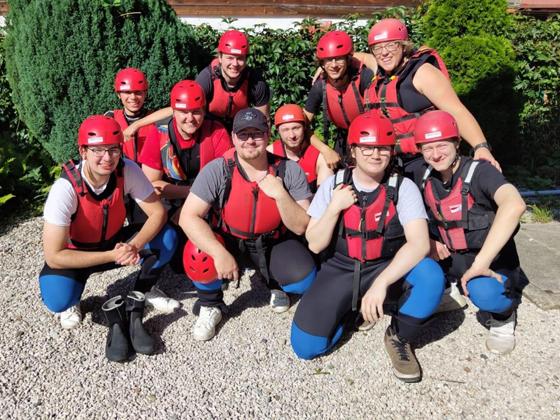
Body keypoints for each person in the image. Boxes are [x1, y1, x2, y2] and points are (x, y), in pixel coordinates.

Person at [291, 110, 445, 383]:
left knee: (431, 275)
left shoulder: (403, 188)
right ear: (353, 150)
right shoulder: (333, 185)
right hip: (341, 267)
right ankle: (351, 314)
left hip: (385, 265)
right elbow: (315, 245)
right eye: (367, 148)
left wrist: (380, 284)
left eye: (383, 148)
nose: (375, 155)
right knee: (306, 347)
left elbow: (420, 244)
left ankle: (399, 336)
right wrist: (334, 208)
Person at [38, 115, 179, 360]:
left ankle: (144, 290)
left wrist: (133, 245)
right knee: (57, 300)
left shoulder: (127, 170)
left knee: (167, 238)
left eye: (113, 149)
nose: (107, 157)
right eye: (98, 150)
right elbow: (54, 255)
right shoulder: (65, 188)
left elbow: (157, 213)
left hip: (117, 242)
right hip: (79, 251)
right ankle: (74, 300)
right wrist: (111, 255)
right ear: (83, 151)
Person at [178, 108, 317, 341]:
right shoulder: (218, 169)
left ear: (268, 134)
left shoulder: (289, 170)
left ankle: (274, 282)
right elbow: (188, 216)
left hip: (272, 241)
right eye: (243, 135)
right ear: (233, 138)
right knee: (197, 252)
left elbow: (302, 226)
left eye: (257, 133)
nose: (250, 140)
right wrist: (219, 253)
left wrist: (280, 194)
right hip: (230, 240)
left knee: (304, 279)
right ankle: (210, 303)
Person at [413, 110, 526, 355]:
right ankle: (451, 289)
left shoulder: (480, 172)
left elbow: (514, 204)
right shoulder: (423, 176)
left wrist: (481, 264)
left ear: (457, 142)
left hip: (491, 260)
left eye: (442, 145)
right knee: (410, 259)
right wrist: (429, 240)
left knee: (483, 292)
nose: (435, 154)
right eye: (427, 148)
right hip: (452, 259)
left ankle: (503, 316)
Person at [364, 18, 500, 177]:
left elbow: (457, 111)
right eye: (377, 48)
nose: (384, 52)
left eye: (391, 45)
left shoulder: (423, 73)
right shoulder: (381, 74)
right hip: (391, 163)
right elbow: (361, 58)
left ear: (403, 45)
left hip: (427, 162)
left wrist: (481, 147)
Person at [122, 30, 270, 137]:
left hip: (240, 130)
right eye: (230, 58)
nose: (235, 64)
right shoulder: (207, 79)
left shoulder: (256, 82)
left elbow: (263, 121)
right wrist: (137, 124)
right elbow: (177, 110)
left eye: (240, 58)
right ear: (220, 56)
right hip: (209, 131)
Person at [139, 80, 232, 222]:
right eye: (183, 112)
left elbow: (225, 180)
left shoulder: (217, 132)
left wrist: (189, 210)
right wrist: (190, 193)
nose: (190, 118)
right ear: (173, 112)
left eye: (196, 112)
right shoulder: (159, 133)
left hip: (208, 205)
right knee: (167, 240)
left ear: (204, 110)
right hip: (171, 203)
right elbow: (151, 185)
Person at [304, 30, 376, 168]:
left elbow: (377, 63)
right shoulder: (320, 86)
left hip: (369, 138)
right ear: (322, 64)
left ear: (349, 60)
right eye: (328, 60)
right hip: (343, 140)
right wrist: (325, 150)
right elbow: (301, 125)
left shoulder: (364, 77)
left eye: (339, 59)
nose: (334, 65)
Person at [267, 104, 333, 193]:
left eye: (296, 128)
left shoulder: (319, 156)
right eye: (285, 130)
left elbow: (325, 197)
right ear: (278, 131)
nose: (292, 135)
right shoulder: (270, 153)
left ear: (305, 127)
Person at [105, 68, 153, 163]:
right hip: (121, 173)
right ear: (119, 94)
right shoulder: (111, 117)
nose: (133, 97)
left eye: (138, 92)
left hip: (149, 176)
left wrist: (136, 125)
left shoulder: (154, 118)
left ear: (145, 93)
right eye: (127, 92)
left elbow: (174, 110)